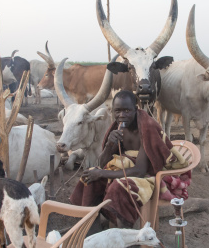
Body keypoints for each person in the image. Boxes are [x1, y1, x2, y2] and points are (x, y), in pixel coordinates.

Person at [70, 90, 180, 229]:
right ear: (113, 111)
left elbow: (140, 171)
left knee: (119, 187)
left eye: (127, 110)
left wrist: (102, 173)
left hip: (147, 175)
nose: (122, 115)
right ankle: (92, 229)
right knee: (89, 178)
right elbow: (101, 164)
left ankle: (123, 234)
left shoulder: (146, 128)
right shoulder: (118, 127)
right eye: (117, 111)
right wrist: (110, 145)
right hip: (125, 169)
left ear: (136, 109)